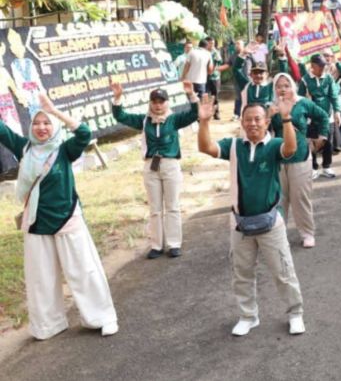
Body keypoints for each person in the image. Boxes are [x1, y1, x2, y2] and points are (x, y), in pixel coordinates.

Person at [0, 94, 118, 339]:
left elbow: (84, 134)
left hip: (67, 217)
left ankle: (102, 317)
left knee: (83, 271)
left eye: (46, 123)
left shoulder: (64, 150)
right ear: (30, 127)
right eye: (37, 123)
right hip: (37, 222)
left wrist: (54, 111)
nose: (42, 128)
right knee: (41, 278)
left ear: (53, 126)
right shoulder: (24, 148)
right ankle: (48, 324)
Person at [197, 94, 305, 336]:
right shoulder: (234, 146)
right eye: (248, 120)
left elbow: (291, 148)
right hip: (240, 223)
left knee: (283, 271)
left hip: (270, 222)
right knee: (242, 274)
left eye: (258, 119)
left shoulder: (274, 145)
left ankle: (295, 313)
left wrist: (286, 118)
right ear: (242, 122)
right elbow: (206, 147)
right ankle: (248, 316)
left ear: (267, 122)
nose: (252, 124)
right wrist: (204, 121)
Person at [111, 82, 198, 259]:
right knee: (155, 208)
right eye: (155, 101)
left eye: (161, 101)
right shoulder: (144, 120)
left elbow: (194, 114)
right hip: (151, 166)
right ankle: (156, 245)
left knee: (172, 205)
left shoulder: (174, 119)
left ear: (167, 102)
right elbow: (120, 116)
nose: (158, 105)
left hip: (170, 164)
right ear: (150, 103)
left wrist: (191, 95)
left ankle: (174, 244)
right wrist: (118, 97)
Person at [270, 73, 330, 248]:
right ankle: (279, 235)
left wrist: (322, 136)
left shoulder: (302, 103)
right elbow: (260, 128)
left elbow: (323, 116)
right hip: (278, 157)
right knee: (279, 199)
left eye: (286, 85)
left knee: (300, 197)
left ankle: (307, 233)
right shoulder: (271, 106)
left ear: (292, 87)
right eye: (279, 86)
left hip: (301, 157)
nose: (282, 89)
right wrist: (268, 115)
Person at [299, 53, 341, 179]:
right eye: (320, 65)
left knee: (328, 142)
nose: (323, 68)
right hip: (311, 118)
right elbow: (300, 99)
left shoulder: (328, 78)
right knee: (312, 142)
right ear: (312, 66)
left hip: (327, 116)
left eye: (324, 65)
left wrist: (337, 111)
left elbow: (333, 95)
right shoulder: (305, 80)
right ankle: (313, 168)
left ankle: (327, 167)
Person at [205, 38, 228, 120]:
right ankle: (206, 114)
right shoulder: (203, 52)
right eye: (210, 43)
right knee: (205, 96)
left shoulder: (216, 52)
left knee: (215, 96)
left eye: (213, 43)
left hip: (214, 77)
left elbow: (218, 62)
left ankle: (216, 113)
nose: (212, 45)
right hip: (205, 77)